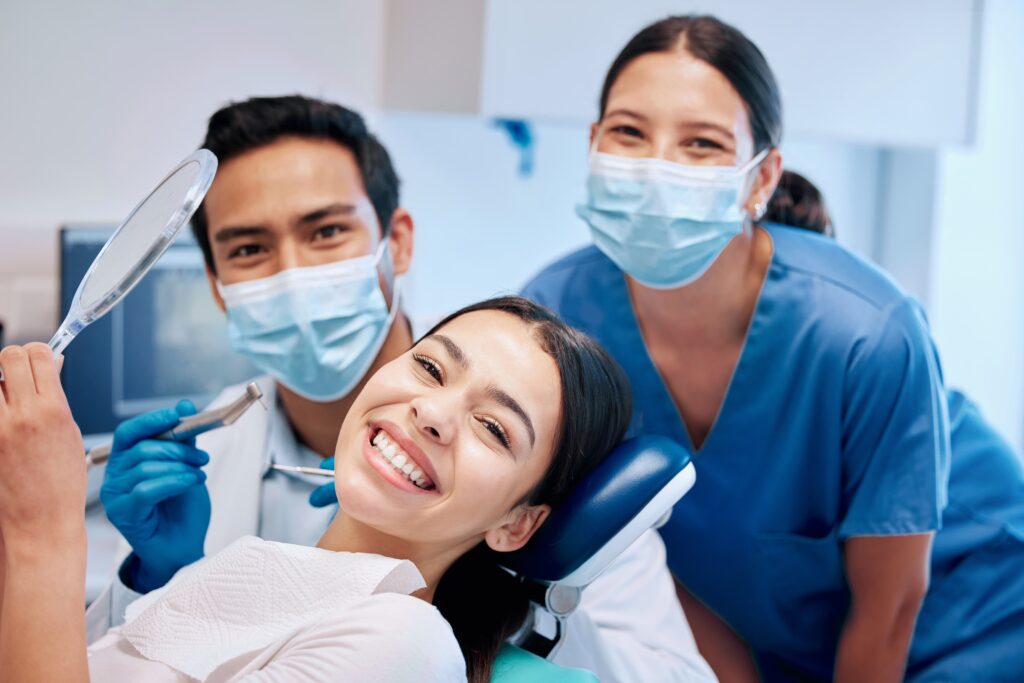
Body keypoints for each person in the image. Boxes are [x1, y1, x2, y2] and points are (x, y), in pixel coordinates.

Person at [87, 96, 714, 682]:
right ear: (218, 283)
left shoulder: (551, 478)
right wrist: (157, 577)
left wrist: (511, 597)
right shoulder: (206, 455)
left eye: (327, 231)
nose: (294, 272)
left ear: (399, 240)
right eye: (250, 247)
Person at [523, 14, 1024, 682]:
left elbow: (893, 604)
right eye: (628, 132)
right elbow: (643, 563)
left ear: (761, 180)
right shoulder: (559, 321)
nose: (655, 169)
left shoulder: (864, 331)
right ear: (592, 144)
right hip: (779, 638)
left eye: (700, 143)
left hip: (970, 613)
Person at [0, 296, 633, 682]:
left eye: (493, 428)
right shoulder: (264, 569)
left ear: (516, 525)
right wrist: (165, 576)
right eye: (430, 366)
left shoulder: (403, 644)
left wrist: (41, 534)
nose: (434, 413)